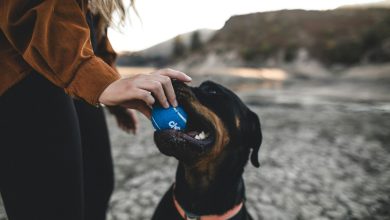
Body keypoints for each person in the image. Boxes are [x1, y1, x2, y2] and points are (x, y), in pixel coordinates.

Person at [0, 0, 191, 220]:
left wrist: (113, 92)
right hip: (22, 74)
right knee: (55, 207)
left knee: (97, 186)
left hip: (70, 70)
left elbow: (94, 35)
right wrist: (95, 79)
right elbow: (31, 8)